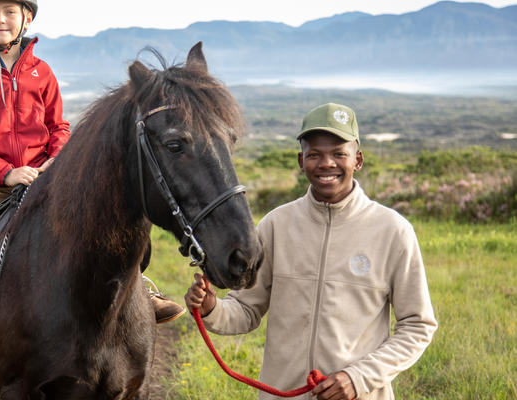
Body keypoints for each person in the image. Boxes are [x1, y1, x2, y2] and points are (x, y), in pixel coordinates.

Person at [0, 0, 182, 375]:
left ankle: (138, 290)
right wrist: (5, 172)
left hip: (44, 179)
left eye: (9, 12)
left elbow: (59, 127)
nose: (0, 20)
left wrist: (55, 161)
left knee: (109, 222)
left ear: (26, 18)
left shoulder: (41, 72)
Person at [185, 103, 437, 400]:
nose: (326, 163)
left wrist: (358, 378)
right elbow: (246, 309)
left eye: (338, 154)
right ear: (300, 160)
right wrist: (212, 308)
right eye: (315, 154)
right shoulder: (276, 225)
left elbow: (417, 325)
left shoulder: (394, 231)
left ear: (357, 160)